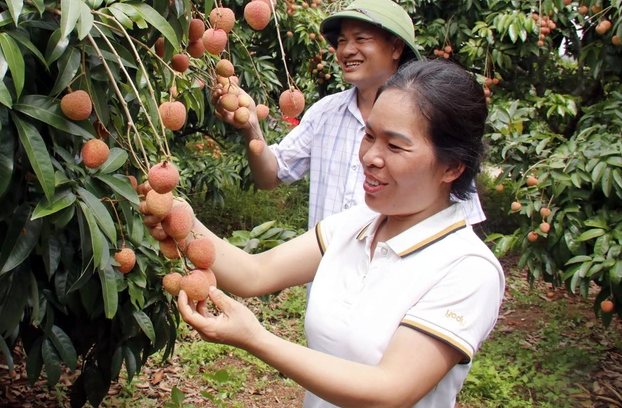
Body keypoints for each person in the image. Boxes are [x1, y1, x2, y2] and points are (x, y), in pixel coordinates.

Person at [181, 60, 505, 408]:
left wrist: (256, 338)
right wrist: (174, 212)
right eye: (369, 135)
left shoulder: (468, 270)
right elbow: (254, 274)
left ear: (452, 167)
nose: (369, 157)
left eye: (394, 147)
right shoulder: (357, 222)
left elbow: (389, 389)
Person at [213, 0, 486, 229]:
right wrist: (250, 125)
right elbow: (270, 176)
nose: (346, 50)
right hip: (327, 283)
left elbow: (459, 224)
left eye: (361, 39)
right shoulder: (325, 113)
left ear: (395, 47)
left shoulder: (431, 120)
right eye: (342, 41)